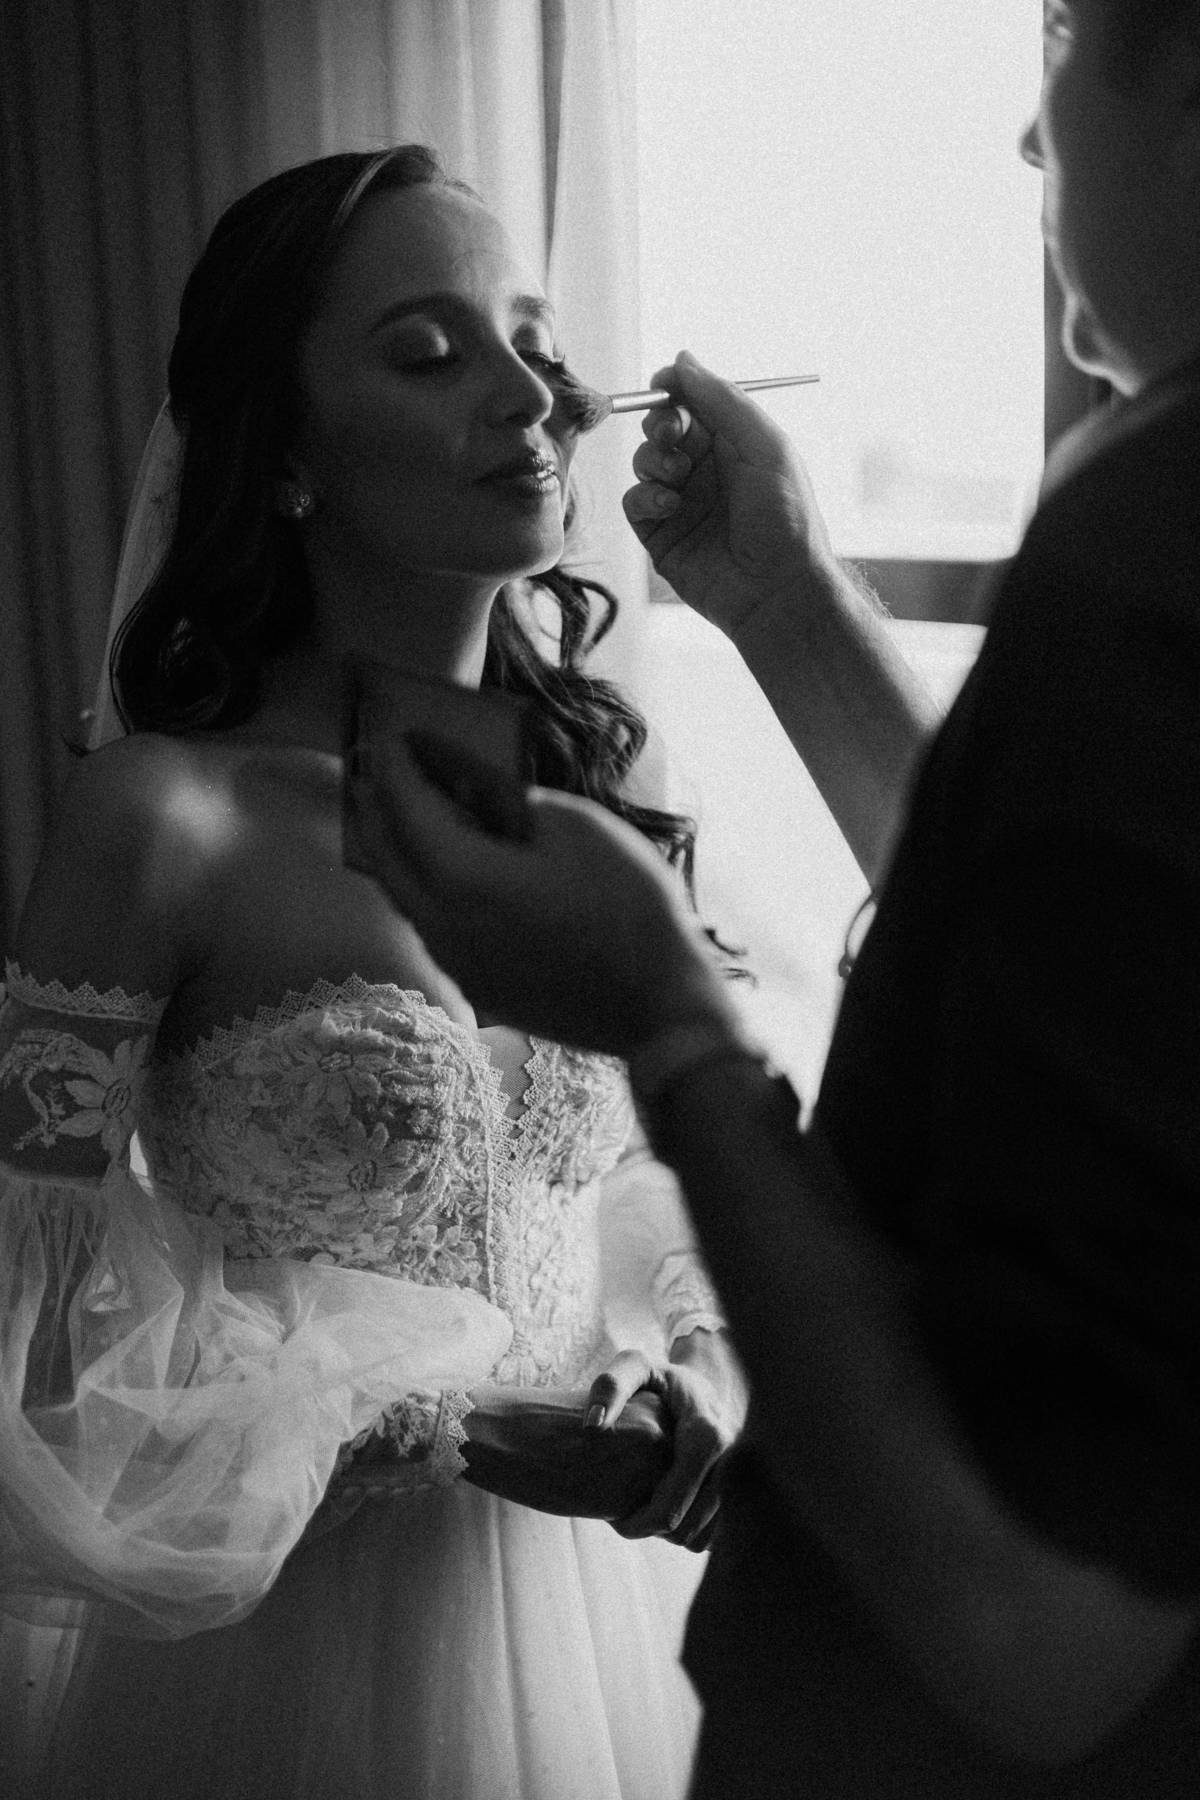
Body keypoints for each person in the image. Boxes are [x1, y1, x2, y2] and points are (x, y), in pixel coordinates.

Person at [342, 2, 1200, 1793]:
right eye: (427, 350)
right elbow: (1065, 968)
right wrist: (793, 604)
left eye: (1056, 36)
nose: (1029, 141)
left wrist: (671, 1028)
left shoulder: (1151, 558)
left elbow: (1039, 1623)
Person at [0, 145, 748, 1800]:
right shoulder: (165, 818)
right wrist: (448, 1426)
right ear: (284, 459)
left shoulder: (595, 804)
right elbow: (32, 1340)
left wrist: (694, 1351)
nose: (532, 395)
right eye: (428, 352)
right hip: (277, 1675)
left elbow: (630, 1175)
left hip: (597, 1634)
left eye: (535, 340)